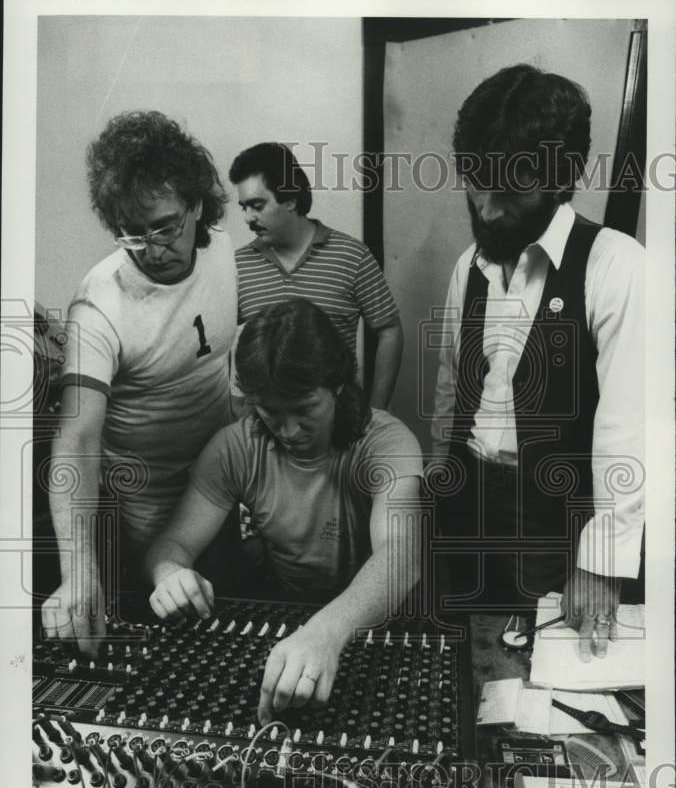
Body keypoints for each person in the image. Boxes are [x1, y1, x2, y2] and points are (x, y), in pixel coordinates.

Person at [431, 64, 644, 661]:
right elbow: (452, 386)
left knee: (547, 670)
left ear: (560, 180)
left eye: (509, 193)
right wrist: (438, 489)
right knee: (469, 662)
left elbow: (629, 427)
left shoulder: (617, 265)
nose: (487, 210)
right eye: (476, 184)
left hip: (555, 518)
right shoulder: (468, 266)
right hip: (469, 501)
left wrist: (601, 561)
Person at [146, 299, 422, 722]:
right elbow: (173, 544)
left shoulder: (385, 441)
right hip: (291, 618)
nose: (289, 430)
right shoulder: (235, 447)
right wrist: (169, 573)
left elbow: (401, 555)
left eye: (305, 409)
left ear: (338, 385)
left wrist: (327, 632)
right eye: (271, 411)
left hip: (377, 626)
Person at [41, 110, 238, 651]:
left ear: (197, 206)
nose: (152, 248)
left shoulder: (222, 249)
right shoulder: (97, 305)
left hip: (216, 498)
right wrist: (78, 572)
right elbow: (77, 438)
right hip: (140, 516)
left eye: (166, 226)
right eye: (133, 233)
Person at [228, 142, 404, 409]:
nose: (248, 218)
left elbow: (389, 329)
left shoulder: (352, 255)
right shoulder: (237, 265)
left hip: (338, 422)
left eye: (257, 205)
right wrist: (236, 406)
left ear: (290, 199)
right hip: (265, 424)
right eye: (244, 207)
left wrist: (376, 412)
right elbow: (224, 343)